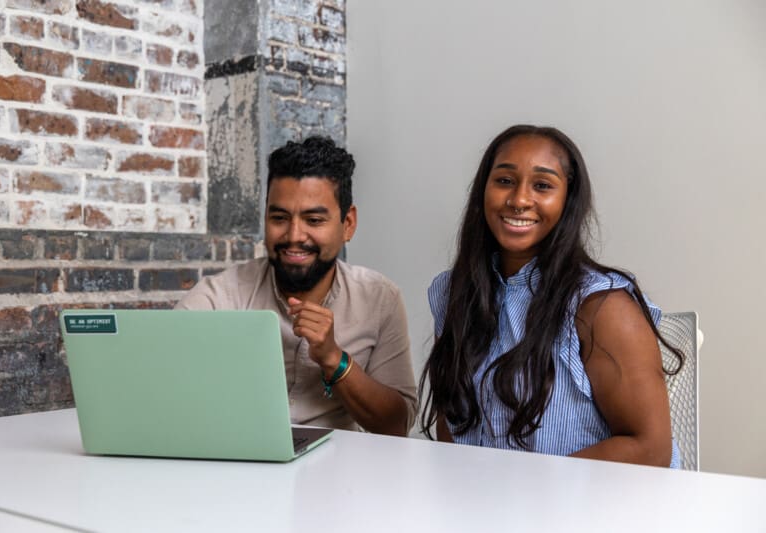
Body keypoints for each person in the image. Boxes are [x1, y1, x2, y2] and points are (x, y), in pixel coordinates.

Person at [420, 125, 683, 466]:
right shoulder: (453, 292)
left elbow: (650, 449)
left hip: (591, 498)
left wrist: (525, 488)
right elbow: (452, 426)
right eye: (504, 181)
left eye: (542, 185)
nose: (519, 200)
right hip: (483, 495)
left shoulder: (601, 306)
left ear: (567, 200)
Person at [177, 136, 417, 436]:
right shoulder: (218, 298)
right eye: (279, 218)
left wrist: (334, 359)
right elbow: (164, 386)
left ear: (348, 224)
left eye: (313, 220)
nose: (294, 236)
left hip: (341, 462)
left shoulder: (380, 298)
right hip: (242, 457)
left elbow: (396, 425)